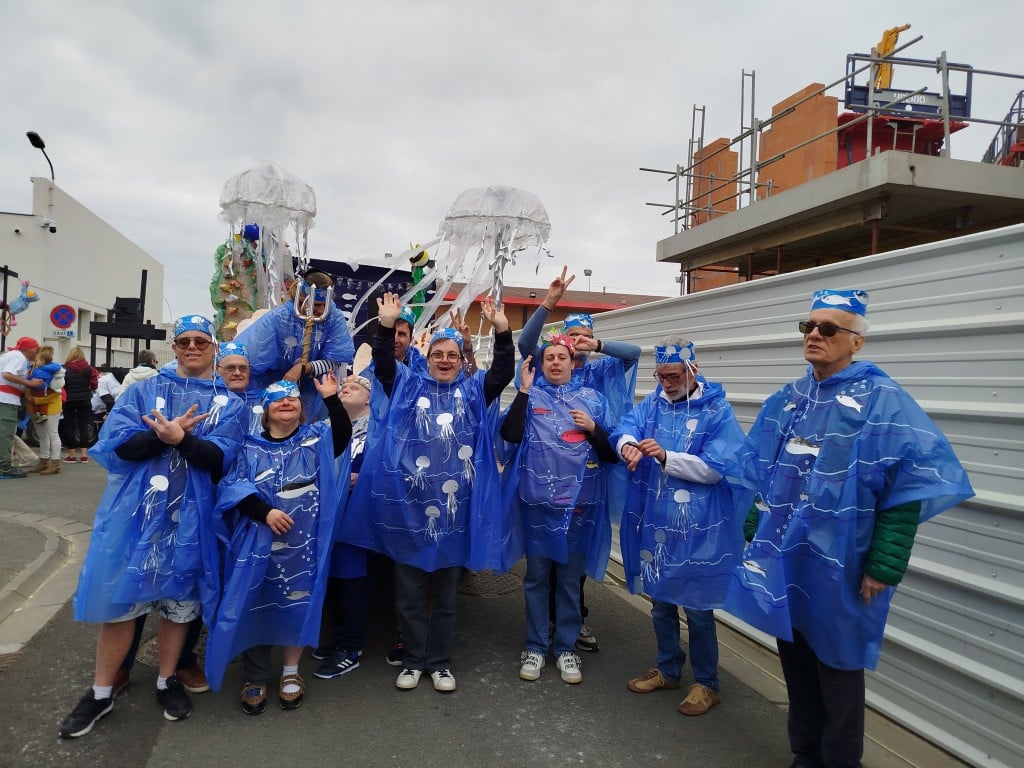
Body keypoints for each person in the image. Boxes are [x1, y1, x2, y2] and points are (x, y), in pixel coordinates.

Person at [723, 289, 974, 768]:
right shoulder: (791, 398)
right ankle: (806, 754)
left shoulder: (884, 401)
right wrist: (755, 529)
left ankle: (840, 761)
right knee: (795, 658)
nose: (814, 335)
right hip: (785, 554)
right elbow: (765, 470)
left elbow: (908, 486)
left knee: (838, 665)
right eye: (809, 327)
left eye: (829, 329)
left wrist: (884, 564)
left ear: (856, 341)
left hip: (843, 561)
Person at [58, 315, 245, 739]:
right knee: (124, 600)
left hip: (194, 516)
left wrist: (183, 441)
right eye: (184, 341)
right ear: (174, 346)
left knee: (180, 602)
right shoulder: (143, 391)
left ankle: (166, 679)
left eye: (201, 341)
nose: (193, 347)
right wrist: (162, 437)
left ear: (213, 347)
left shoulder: (229, 403)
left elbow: (222, 461)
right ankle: (101, 692)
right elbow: (117, 447)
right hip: (137, 515)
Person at [338, 293, 515, 693]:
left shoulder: (472, 392)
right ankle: (413, 660)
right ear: (428, 357)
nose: (446, 360)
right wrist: (386, 325)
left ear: (459, 359)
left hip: (454, 516)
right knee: (411, 595)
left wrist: (502, 332)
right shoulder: (405, 384)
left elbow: (502, 373)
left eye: (453, 355)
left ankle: (441, 663)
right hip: (409, 513)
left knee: (446, 600)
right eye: (439, 354)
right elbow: (384, 362)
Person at [614, 339, 750, 716]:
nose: (665, 382)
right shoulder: (653, 403)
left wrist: (666, 457)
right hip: (657, 522)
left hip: (699, 529)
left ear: (692, 370)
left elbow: (716, 468)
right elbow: (626, 426)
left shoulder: (716, 412)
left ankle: (707, 683)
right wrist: (628, 445)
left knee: (697, 607)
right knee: (660, 601)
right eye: (660, 375)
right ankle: (668, 668)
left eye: (672, 376)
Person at [205, 376, 352, 714]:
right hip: (256, 543)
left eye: (293, 400)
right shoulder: (249, 446)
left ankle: (290, 672)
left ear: (301, 409)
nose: (287, 403)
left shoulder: (315, 440)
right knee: (254, 601)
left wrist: (331, 398)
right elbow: (233, 488)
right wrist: (265, 512)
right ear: (267, 411)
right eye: (278, 401)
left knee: (296, 603)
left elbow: (341, 437)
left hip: (303, 546)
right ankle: (255, 676)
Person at [518, 266, 641, 653]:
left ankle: (572, 624)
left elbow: (634, 354)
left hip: (588, 478)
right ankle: (544, 632)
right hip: (545, 487)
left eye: (582, 337)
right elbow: (525, 345)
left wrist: (598, 344)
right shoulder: (540, 383)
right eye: (571, 337)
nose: (575, 344)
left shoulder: (598, 375)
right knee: (542, 572)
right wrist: (548, 304)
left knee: (573, 566)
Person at [500, 332, 618, 685]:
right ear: (540, 364)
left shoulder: (592, 400)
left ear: (572, 362)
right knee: (536, 579)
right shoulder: (529, 395)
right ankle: (535, 646)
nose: (555, 362)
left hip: (579, 509)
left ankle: (565, 647)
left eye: (561, 357)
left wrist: (594, 429)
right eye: (548, 357)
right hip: (537, 507)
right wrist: (522, 391)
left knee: (568, 581)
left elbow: (612, 453)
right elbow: (509, 434)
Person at [313, 374, 373, 681]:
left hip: (356, 515)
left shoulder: (378, 429)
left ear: (368, 398)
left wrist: (363, 479)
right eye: (344, 386)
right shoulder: (324, 427)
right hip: (326, 516)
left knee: (351, 577)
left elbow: (390, 466)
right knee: (332, 577)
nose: (345, 388)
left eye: (355, 387)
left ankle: (350, 647)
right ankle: (337, 639)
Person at [235, 266, 355, 419]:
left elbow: (338, 358)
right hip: (271, 385)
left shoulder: (333, 317)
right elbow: (248, 358)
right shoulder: (278, 318)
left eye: (325, 304)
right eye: (317, 305)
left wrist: (305, 367)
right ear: (301, 298)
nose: (321, 310)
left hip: (313, 390)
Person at [0, 337, 43, 480]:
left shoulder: (9, 355)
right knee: (5, 434)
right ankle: (4, 467)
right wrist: (28, 383)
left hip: (4, 397)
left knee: (4, 433)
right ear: (29, 349)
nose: (37, 351)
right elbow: (7, 374)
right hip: (6, 399)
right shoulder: (20, 357)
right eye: (36, 348)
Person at [26, 345, 64, 476]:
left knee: (52, 433)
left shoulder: (55, 374)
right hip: (35, 406)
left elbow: (55, 393)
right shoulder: (32, 369)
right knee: (43, 435)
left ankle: (55, 463)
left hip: (50, 406)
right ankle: (44, 461)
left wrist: (36, 401)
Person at [60, 346, 99, 463]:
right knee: (83, 426)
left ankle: (71, 455)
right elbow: (95, 385)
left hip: (69, 400)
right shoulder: (89, 369)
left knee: (70, 426)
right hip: (85, 400)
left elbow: (61, 384)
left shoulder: (64, 368)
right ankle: (84, 455)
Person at [216, 341, 262, 433]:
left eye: (243, 368)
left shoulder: (264, 402)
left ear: (249, 371)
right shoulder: (209, 402)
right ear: (216, 370)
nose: (237, 373)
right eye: (230, 368)